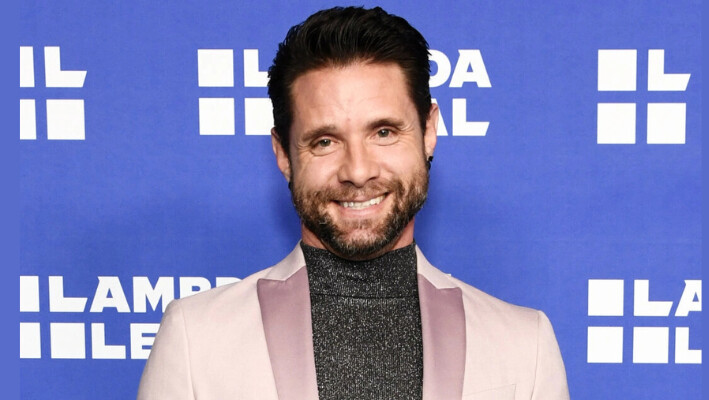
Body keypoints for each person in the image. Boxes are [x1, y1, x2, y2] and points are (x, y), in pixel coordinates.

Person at [137, 6, 569, 400]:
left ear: (429, 130)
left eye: (383, 132)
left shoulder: (523, 345)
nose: (358, 171)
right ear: (284, 154)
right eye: (325, 141)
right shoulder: (195, 338)